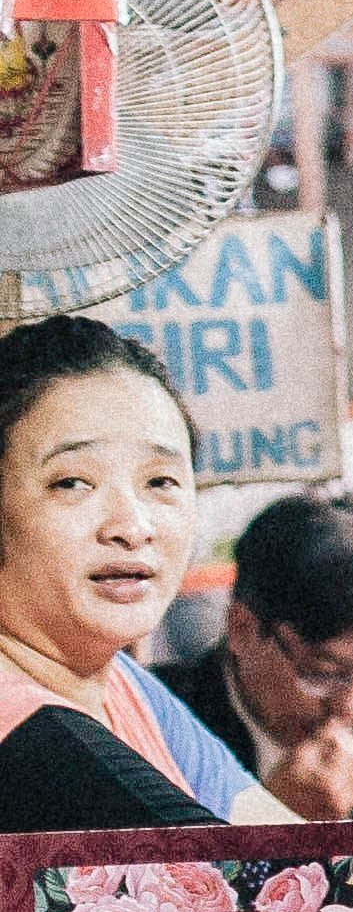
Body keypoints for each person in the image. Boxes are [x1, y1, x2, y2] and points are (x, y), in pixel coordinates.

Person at [0, 318, 248, 825]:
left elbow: (284, 841)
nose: (132, 527)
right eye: (72, 483)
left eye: (161, 480)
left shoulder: (118, 682)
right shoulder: (28, 735)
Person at [156, 488, 353, 823]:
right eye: (322, 673)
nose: (349, 708)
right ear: (242, 629)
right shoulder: (153, 722)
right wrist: (263, 821)